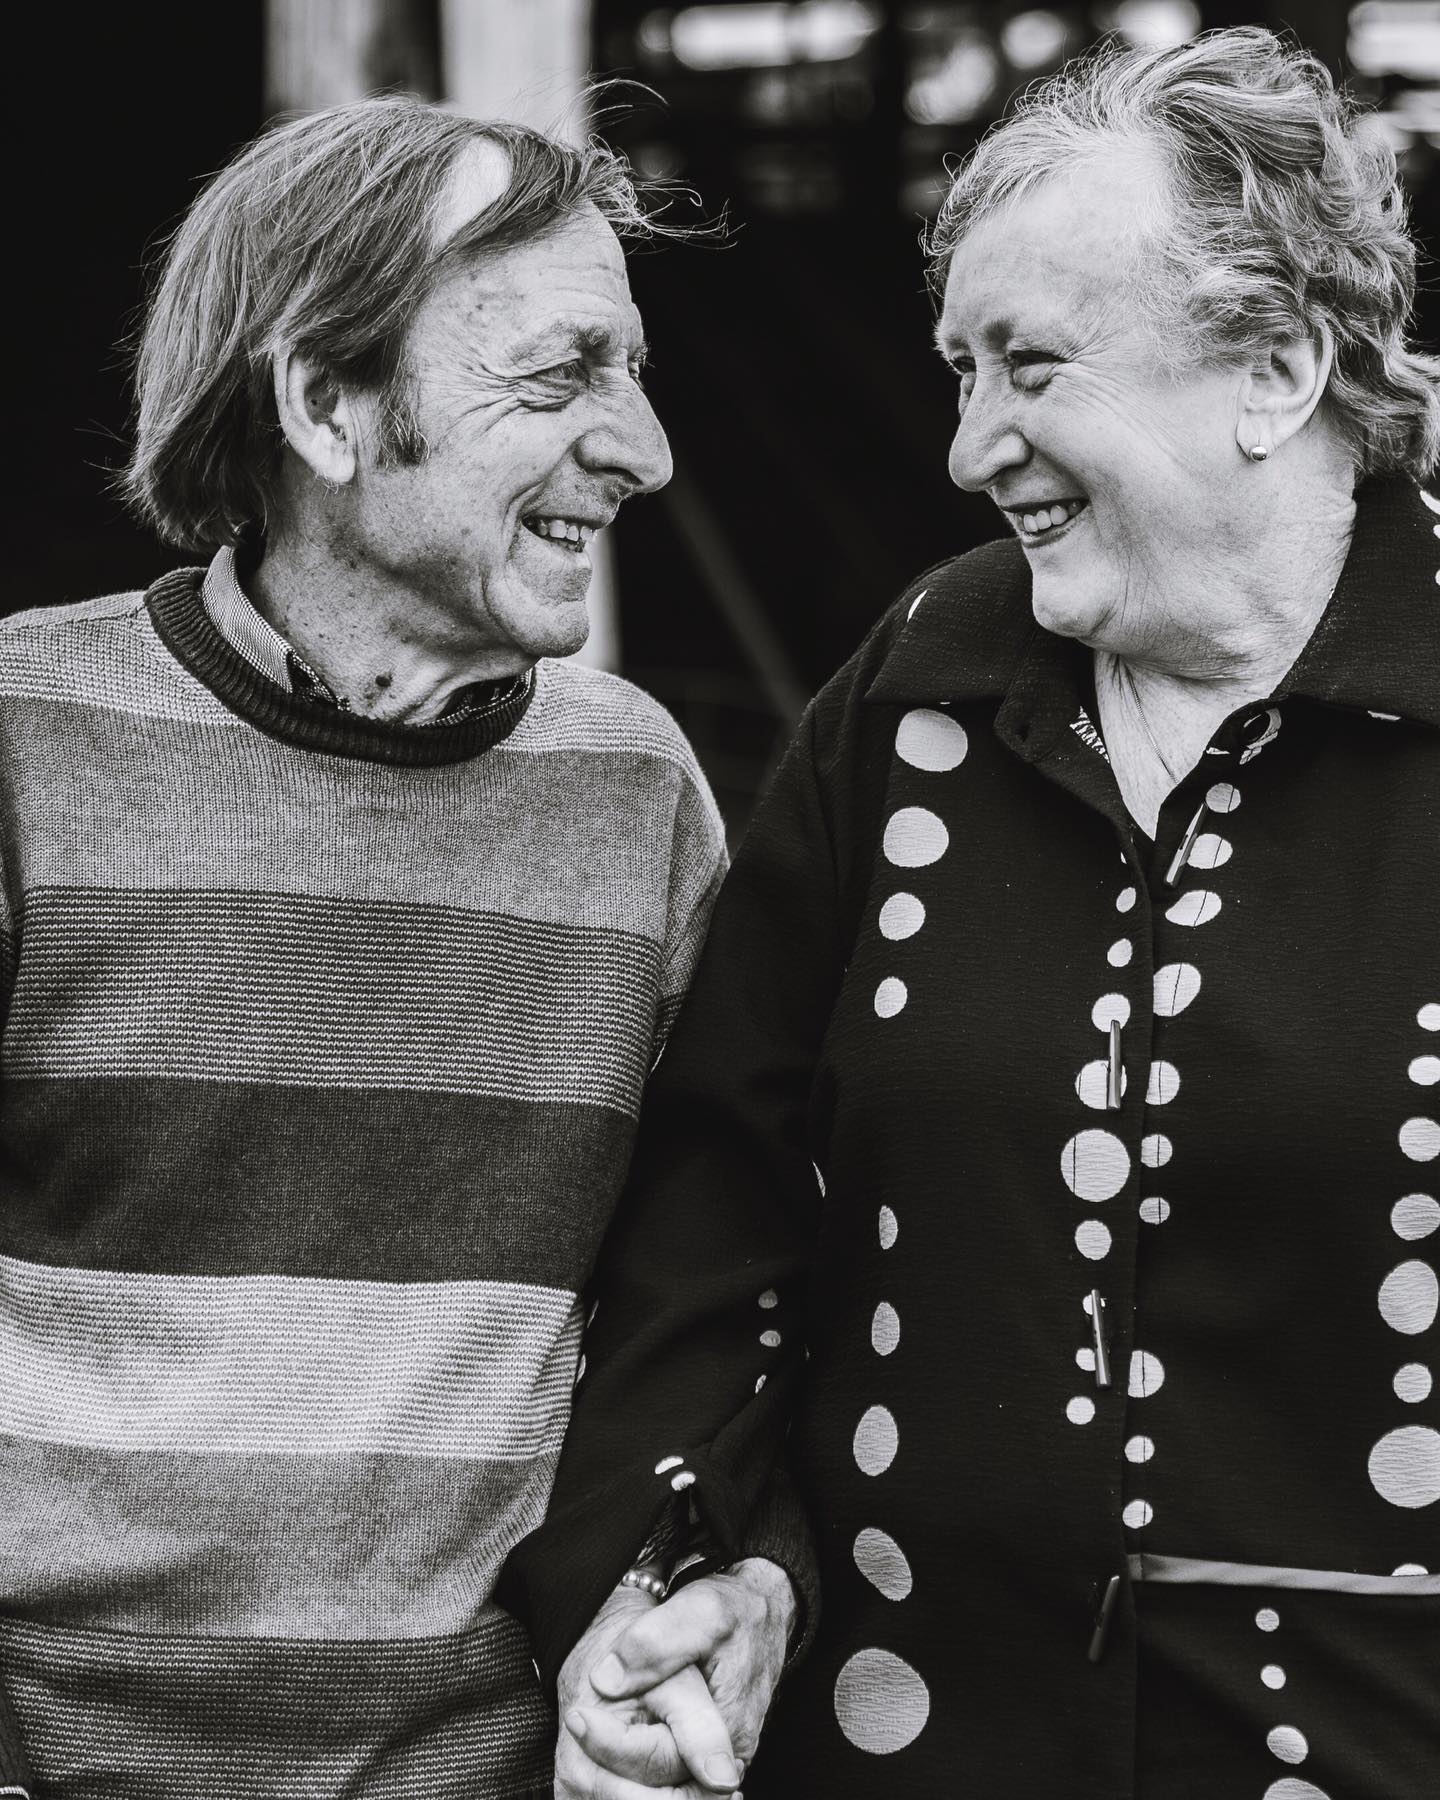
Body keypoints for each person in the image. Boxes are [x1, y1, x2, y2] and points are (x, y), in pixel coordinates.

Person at [503, 28, 1440, 1798]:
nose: (968, 447)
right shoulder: (922, 688)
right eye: (959, 370)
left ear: (1279, 366)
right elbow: (723, 1198)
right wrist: (683, 1564)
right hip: (912, 1744)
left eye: (1032, 367)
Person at [0, 97, 808, 1800]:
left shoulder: (637, 789)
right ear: (325, 405)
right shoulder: (23, 742)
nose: (645, 448)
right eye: (562, 374)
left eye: (634, 370)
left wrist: (680, 1595)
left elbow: (703, 1310)